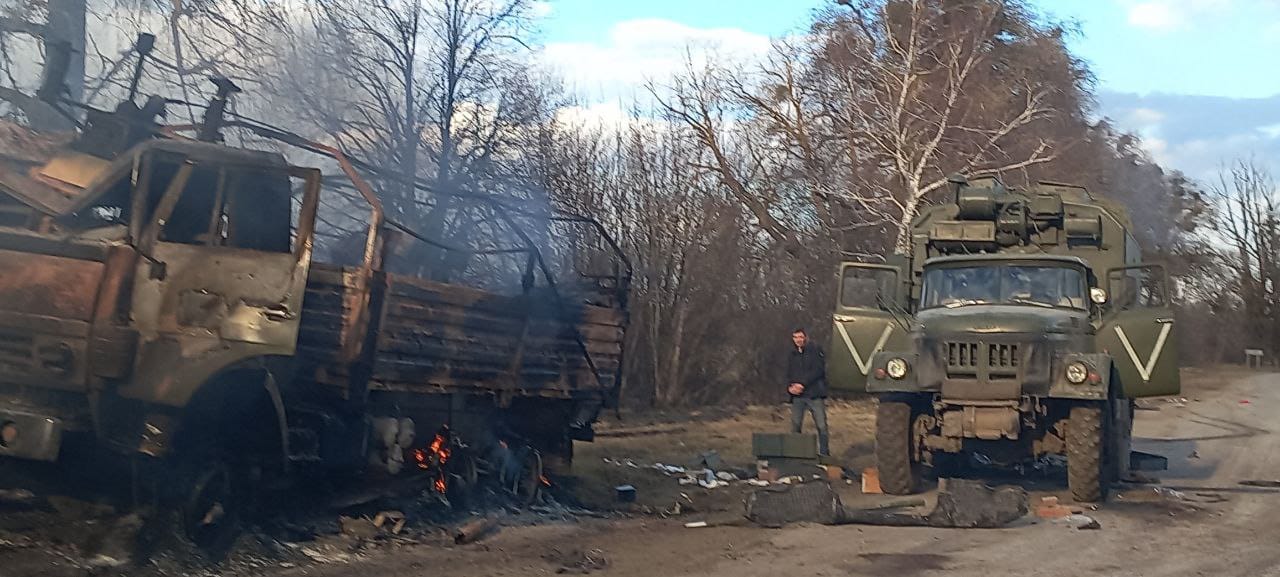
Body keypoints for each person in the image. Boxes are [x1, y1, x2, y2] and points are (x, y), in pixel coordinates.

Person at [786, 327, 830, 457]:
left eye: (800, 337)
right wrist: (790, 387)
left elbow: (818, 370)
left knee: (821, 426)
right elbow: (788, 373)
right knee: (795, 426)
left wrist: (802, 384)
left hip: (814, 394)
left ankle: (824, 454)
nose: (798, 340)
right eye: (795, 337)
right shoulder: (792, 354)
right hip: (798, 397)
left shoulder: (815, 351)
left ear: (805, 337)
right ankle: (795, 454)